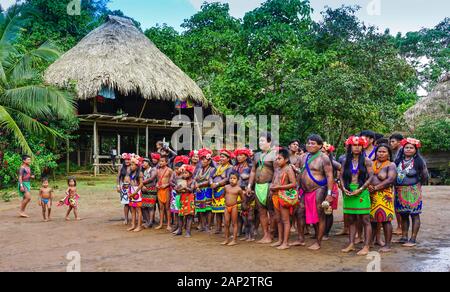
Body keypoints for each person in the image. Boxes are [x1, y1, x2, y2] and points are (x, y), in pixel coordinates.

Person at [298, 134, 335, 250]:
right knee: (300, 212)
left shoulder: (324, 157)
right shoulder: (303, 157)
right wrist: (297, 189)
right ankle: (301, 239)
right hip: (304, 190)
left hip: (319, 189)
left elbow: (329, 176)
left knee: (320, 215)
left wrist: (329, 194)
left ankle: (318, 242)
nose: (310, 145)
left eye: (313, 143)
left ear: (320, 145)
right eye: (308, 143)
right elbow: (299, 173)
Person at [340, 136, 374, 256]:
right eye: (354, 145)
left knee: (365, 220)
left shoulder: (366, 160)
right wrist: (343, 188)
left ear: (362, 146)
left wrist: (360, 189)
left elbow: (371, 177)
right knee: (351, 219)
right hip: (349, 191)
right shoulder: (345, 160)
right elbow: (341, 176)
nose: (356, 147)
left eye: (359, 145)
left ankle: (366, 246)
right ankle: (351, 244)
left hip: (361, 191)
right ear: (350, 147)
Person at [394, 138, 428, 247]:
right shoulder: (398, 161)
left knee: (414, 214)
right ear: (403, 149)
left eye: (411, 148)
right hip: (399, 190)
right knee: (403, 214)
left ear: (415, 149)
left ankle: (413, 239)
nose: (408, 149)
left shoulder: (419, 161)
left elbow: (424, 176)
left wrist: (416, 185)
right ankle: (404, 237)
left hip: (413, 191)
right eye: (406, 147)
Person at [247, 132, 277, 244]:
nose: (260, 143)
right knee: (261, 212)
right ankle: (265, 234)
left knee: (272, 212)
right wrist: (250, 186)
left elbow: (277, 172)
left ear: (269, 142)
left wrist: (273, 186)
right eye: (259, 141)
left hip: (269, 185)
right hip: (258, 187)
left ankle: (271, 234)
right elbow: (253, 171)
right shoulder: (257, 155)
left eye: (263, 140)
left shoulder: (274, 155)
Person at [368, 144, 397, 252]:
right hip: (370, 194)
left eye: (384, 152)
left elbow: (390, 180)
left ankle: (388, 245)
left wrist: (376, 187)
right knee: (372, 220)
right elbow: (365, 176)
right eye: (379, 151)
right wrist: (368, 186)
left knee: (385, 220)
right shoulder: (371, 163)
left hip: (384, 195)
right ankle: (370, 241)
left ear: (389, 154)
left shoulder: (391, 165)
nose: (381, 153)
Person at [270, 148, 298, 250]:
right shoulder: (277, 169)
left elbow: (293, 184)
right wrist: (271, 189)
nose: (277, 160)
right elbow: (273, 181)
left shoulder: (288, 168)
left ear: (286, 160)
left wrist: (279, 187)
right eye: (276, 158)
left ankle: (285, 242)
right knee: (278, 219)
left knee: (285, 220)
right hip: (275, 196)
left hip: (283, 197)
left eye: (279, 158)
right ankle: (280, 240)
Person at [321, 142, 341, 240]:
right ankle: (320, 232)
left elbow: (343, 169)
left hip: (331, 188)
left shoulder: (333, 162)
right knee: (320, 210)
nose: (321, 154)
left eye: (323, 152)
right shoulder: (317, 161)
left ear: (328, 153)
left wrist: (337, 180)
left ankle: (326, 233)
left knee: (328, 211)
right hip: (320, 188)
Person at [211, 149, 233, 234]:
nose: (221, 158)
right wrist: (211, 183)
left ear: (228, 159)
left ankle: (226, 229)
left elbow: (228, 178)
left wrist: (217, 183)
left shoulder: (230, 167)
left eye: (223, 157)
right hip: (215, 190)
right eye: (220, 156)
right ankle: (218, 228)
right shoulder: (217, 167)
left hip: (224, 190)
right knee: (217, 211)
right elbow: (211, 176)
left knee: (225, 211)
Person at [233, 148, 254, 241]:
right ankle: (244, 234)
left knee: (249, 216)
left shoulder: (250, 167)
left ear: (246, 156)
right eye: (238, 155)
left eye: (241, 155)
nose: (239, 157)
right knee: (241, 215)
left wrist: (249, 188)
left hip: (248, 193)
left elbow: (253, 179)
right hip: (238, 192)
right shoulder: (235, 167)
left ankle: (251, 236)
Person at [194, 148, 215, 232]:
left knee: (208, 209)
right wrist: (196, 186)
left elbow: (209, 180)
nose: (202, 162)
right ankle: (202, 225)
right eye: (201, 160)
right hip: (199, 191)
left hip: (208, 191)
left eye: (204, 160)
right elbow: (194, 179)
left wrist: (199, 184)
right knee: (201, 209)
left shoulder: (212, 169)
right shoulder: (199, 169)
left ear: (209, 161)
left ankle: (208, 225)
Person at [222, 172, 244, 246]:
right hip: (226, 206)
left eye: (234, 178)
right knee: (226, 223)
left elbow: (243, 199)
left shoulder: (239, 189)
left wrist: (236, 203)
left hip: (234, 207)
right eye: (231, 178)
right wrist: (226, 201)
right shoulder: (226, 187)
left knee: (234, 223)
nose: (232, 180)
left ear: (238, 180)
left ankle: (234, 240)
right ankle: (226, 239)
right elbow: (223, 195)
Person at [389, 133, 404, 235]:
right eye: (390, 141)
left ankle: (401, 227)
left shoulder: (402, 151)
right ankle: (400, 226)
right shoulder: (397, 151)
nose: (391, 143)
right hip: (398, 180)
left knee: (399, 204)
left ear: (399, 142)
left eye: (393, 141)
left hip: (402, 181)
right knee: (397, 203)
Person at [171, 156, 190, 234]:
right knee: (177, 211)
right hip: (177, 195)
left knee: (184, 212)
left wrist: (181, 188)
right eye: (175, 169)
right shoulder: (175, 175)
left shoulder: (186, 177)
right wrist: (176, 186)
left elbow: (189, 188)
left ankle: (184, 226)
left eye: (177, 168)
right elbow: (171, 181)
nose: (176, 170)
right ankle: (178, 226)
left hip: (185, 196)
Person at [176, 164, 196, 237]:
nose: (184, 174)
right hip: (182, 198)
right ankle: (180, 230)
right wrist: (179, 189)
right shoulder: (181, 181)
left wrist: (185, 187)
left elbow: (191, 190)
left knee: (189, 216)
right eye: (183, 173)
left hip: (190, 199)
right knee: (180, 215)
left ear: (190, 174)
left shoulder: (193, 181)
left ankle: (188, 232)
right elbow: (177, 190)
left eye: (186, 173)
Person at [155, 156, 174, 231]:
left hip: (166, 190)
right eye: (160, 161)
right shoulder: (158, 170)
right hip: (159, 190)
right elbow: (158, 180)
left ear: (166, 162)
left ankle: (169, 224)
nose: (160, 162)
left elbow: (172, 181)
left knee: (167, 208)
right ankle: (161, 224)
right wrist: (157, 184)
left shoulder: (169, 170)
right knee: (161, 208)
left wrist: (166, 185)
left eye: (162, 161)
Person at [127, 157, 144, 232]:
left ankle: (139, 226)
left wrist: (135, 192)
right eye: (130, 165)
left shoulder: (140, 173)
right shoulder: (131, 173)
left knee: (138, 209)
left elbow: (141, 184)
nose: (131, 166)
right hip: (131, 191)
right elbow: (130, 183)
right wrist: (129, 191)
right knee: (132, 209)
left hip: (137, 192)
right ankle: (133, 225)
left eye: (133, 165)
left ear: (137, 166)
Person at [141, 157, 158, 228]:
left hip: (152, 189)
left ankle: (150, 222)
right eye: (142, 162)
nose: (143, 164)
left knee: (151, 206)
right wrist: (142, 186)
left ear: (148, 163)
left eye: (144, 162)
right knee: (144, 206)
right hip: (144, 189)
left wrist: (142, 183)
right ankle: (148, 221)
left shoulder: (153, 169)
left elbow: (152, 178)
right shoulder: (144, 171)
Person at [117, 153, 132, 224]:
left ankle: (134, 218)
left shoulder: (133, 166)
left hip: (132, 186)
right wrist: (118, 185)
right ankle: (126, 218)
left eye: (128, 160)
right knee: (126, 203)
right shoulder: (121, 167)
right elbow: (118, 177)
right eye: (126, 160)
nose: (127, 161)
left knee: (132, 203)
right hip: (124, 186)